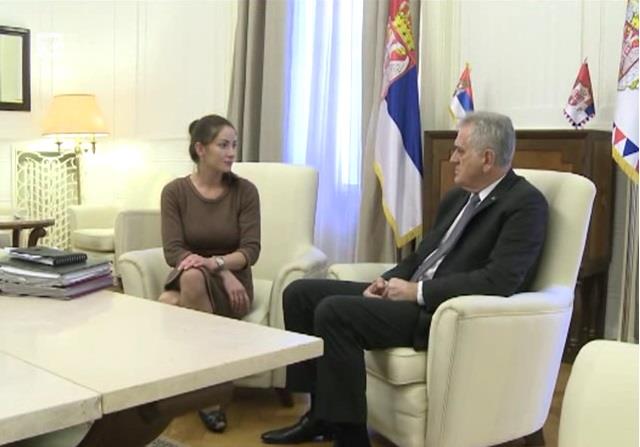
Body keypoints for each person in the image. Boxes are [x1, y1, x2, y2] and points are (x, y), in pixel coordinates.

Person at [261, 111, 549, 447]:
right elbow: (419, 258)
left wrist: (418, 292)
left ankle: (351, 438)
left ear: (487, 158)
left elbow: (498, 281)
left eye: (460, 151)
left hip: (440, 313)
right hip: (412, 294)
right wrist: (384, 281)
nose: (452, 158)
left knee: (334, 312)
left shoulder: (526, 205)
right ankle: (320, 415)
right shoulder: (458, 197)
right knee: (300, 293)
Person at [159, 114, 260, 433]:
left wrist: (221, 267)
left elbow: (251, 251)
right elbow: (173, 251)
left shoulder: (245, 191)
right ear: (200, 149)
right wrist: (217, 268)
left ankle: (194, 391)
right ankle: (210, 390)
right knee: (187, 280)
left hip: (235, 284)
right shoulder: (174, 192)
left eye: (234, 145)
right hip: (192, 274)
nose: (231, 153)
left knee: (168, 302)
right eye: (223, 145)